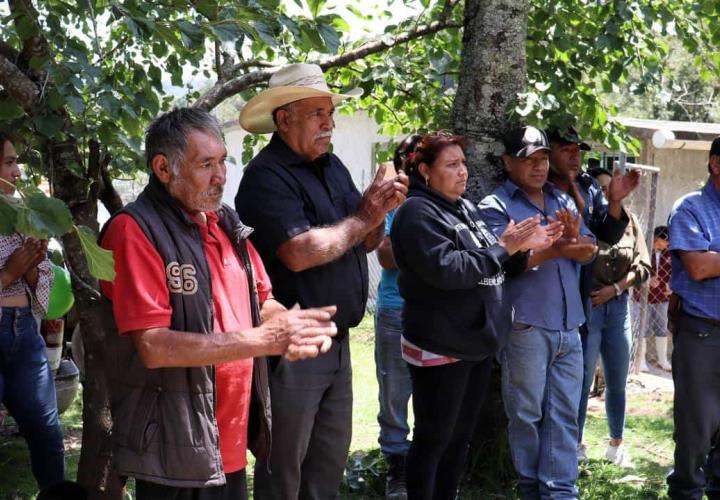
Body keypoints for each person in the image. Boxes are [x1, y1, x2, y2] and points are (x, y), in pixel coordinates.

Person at [99, 108, 338, 499]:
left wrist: (292, 326)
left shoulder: (223, 220)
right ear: (163, 168)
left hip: (225, 442)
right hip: (171, 448)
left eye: (222, 161)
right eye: (205, 164)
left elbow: (261, 298)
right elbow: (154, 345)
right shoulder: (134, 231)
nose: (220, 176)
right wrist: (265, 341)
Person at [235, 63, 408, 499]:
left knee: (328, 463)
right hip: (293, 342)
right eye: (317, 114)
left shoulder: (332, 167)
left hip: (339, 339)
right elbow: (298, 252)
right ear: (284, 119)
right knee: (284, 469)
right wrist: (365, 216)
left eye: (330, 113)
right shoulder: (265, 176)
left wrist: (379, 211)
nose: (329, 123)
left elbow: (364, 241)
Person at [390, 130, 557, 500]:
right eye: (451, 164)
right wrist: (504, 247)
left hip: (476, 344)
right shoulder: (417, 212)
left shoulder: (463, 206)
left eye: (463, 163)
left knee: (458, 441)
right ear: (424, 171)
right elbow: (449, 270)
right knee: (434, 439)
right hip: (441, 344)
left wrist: (523, 249)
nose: (462, 171)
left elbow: (493, 267)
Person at [479, 126, 598, 500]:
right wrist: (558, 247)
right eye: (529, 160)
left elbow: (589, 250)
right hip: (525, 326)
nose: (539, 167)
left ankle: (561, 490)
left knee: (564, 413)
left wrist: (574, 242)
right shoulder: (494, 206)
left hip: (569, 324)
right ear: (507, 162)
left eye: (544, 159)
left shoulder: (561, 198)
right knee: (525, 414)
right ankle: (531, 486)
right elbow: (503, 264)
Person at [0, 132, 64, 491]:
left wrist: (30, 267)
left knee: (46, 430)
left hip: (24, 332)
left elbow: (39, 293)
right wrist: (7, 273)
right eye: (9, 162)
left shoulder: (22, 215)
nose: (18, 172)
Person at [576, 166, 650, 467]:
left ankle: (616, 445)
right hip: (589, 307)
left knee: (617, 381)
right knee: (580, 382)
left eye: (611, 189)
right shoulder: (586, 221)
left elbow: (643, 265)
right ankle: (576, 444)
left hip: (618, 307)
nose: (608, 195)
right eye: (602, 190)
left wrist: (617, 288)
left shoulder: (630, 223)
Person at [666, 136, 720, 500]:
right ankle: (686, 492)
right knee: (696, 428)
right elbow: (699, 266)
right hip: (703, 333)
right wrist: (710, 259)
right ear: (716, 163)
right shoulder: (690, 208)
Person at [374, 134, 421, 500]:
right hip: (396, 307)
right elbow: (386, 255)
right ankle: (397, 466)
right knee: (394, 391)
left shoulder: (448, 199)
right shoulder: (394, 200)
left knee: (434, 391)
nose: (416, 162)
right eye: (411, 155)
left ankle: (425, 463)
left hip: (436, 312)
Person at [634, 225, 672, 372]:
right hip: (642, 297)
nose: (668, 244)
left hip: (662, 297)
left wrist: (671, 284)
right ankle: (641, 360)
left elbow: (674, 271)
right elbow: (634, 269)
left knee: (662, 327)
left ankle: (662, 360)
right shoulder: (642, 250)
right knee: (641, 328)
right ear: (657, 239)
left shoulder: (669, 253)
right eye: (666, 241)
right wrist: (646, 280)